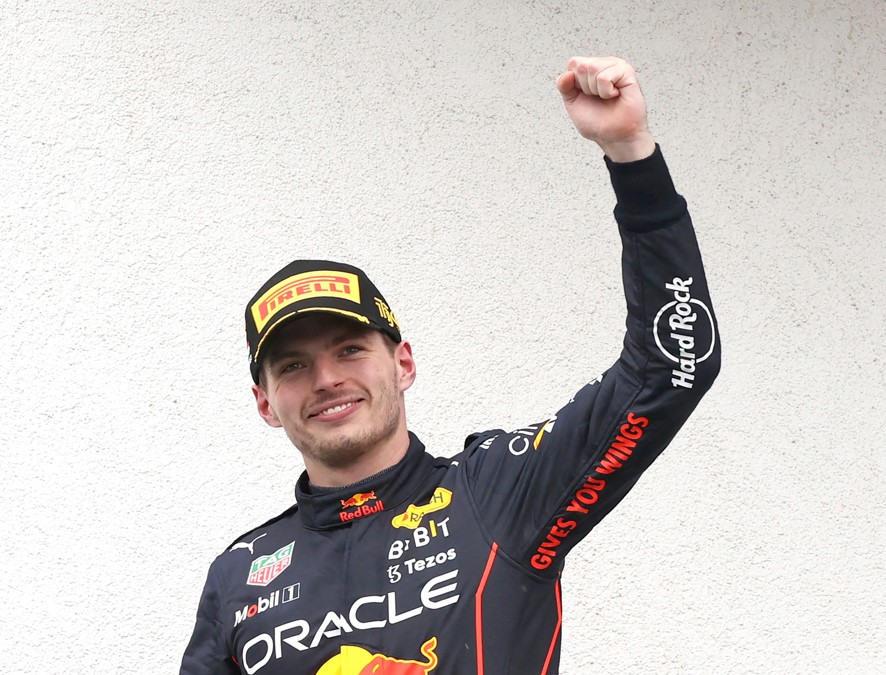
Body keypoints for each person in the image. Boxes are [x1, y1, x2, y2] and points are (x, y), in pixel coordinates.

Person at [179, 56, 720, 674]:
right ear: (265, 403)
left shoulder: (497, 491)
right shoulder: (239, 577)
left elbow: (670, 367)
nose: (327, 380)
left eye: (350, 350)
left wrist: (631, 156)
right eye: (294, 366)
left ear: (403, 363)